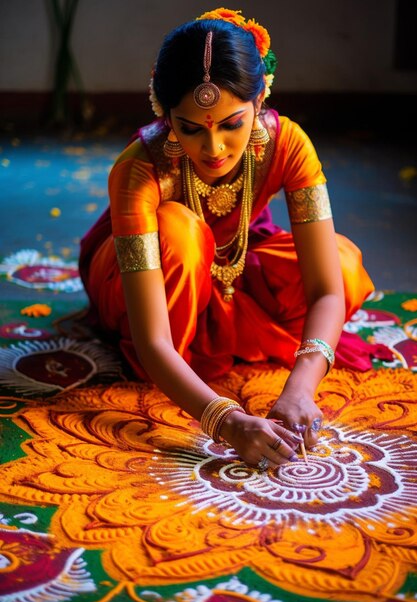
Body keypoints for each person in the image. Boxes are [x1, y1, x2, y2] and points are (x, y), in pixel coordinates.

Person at [79, 9, 390, 471]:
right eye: (190, 128)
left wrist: (299, 389)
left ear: (261, 98)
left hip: (237, 268)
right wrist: (227, 421)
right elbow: (152, 340)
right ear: (163, 113)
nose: (215, 148)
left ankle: (228, 334)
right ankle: (193, 364)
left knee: (343, 261)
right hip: (154, 289)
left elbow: (327, 288)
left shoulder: (288, 145)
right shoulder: (138, 169)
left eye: (231, 123)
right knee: (179, 233)